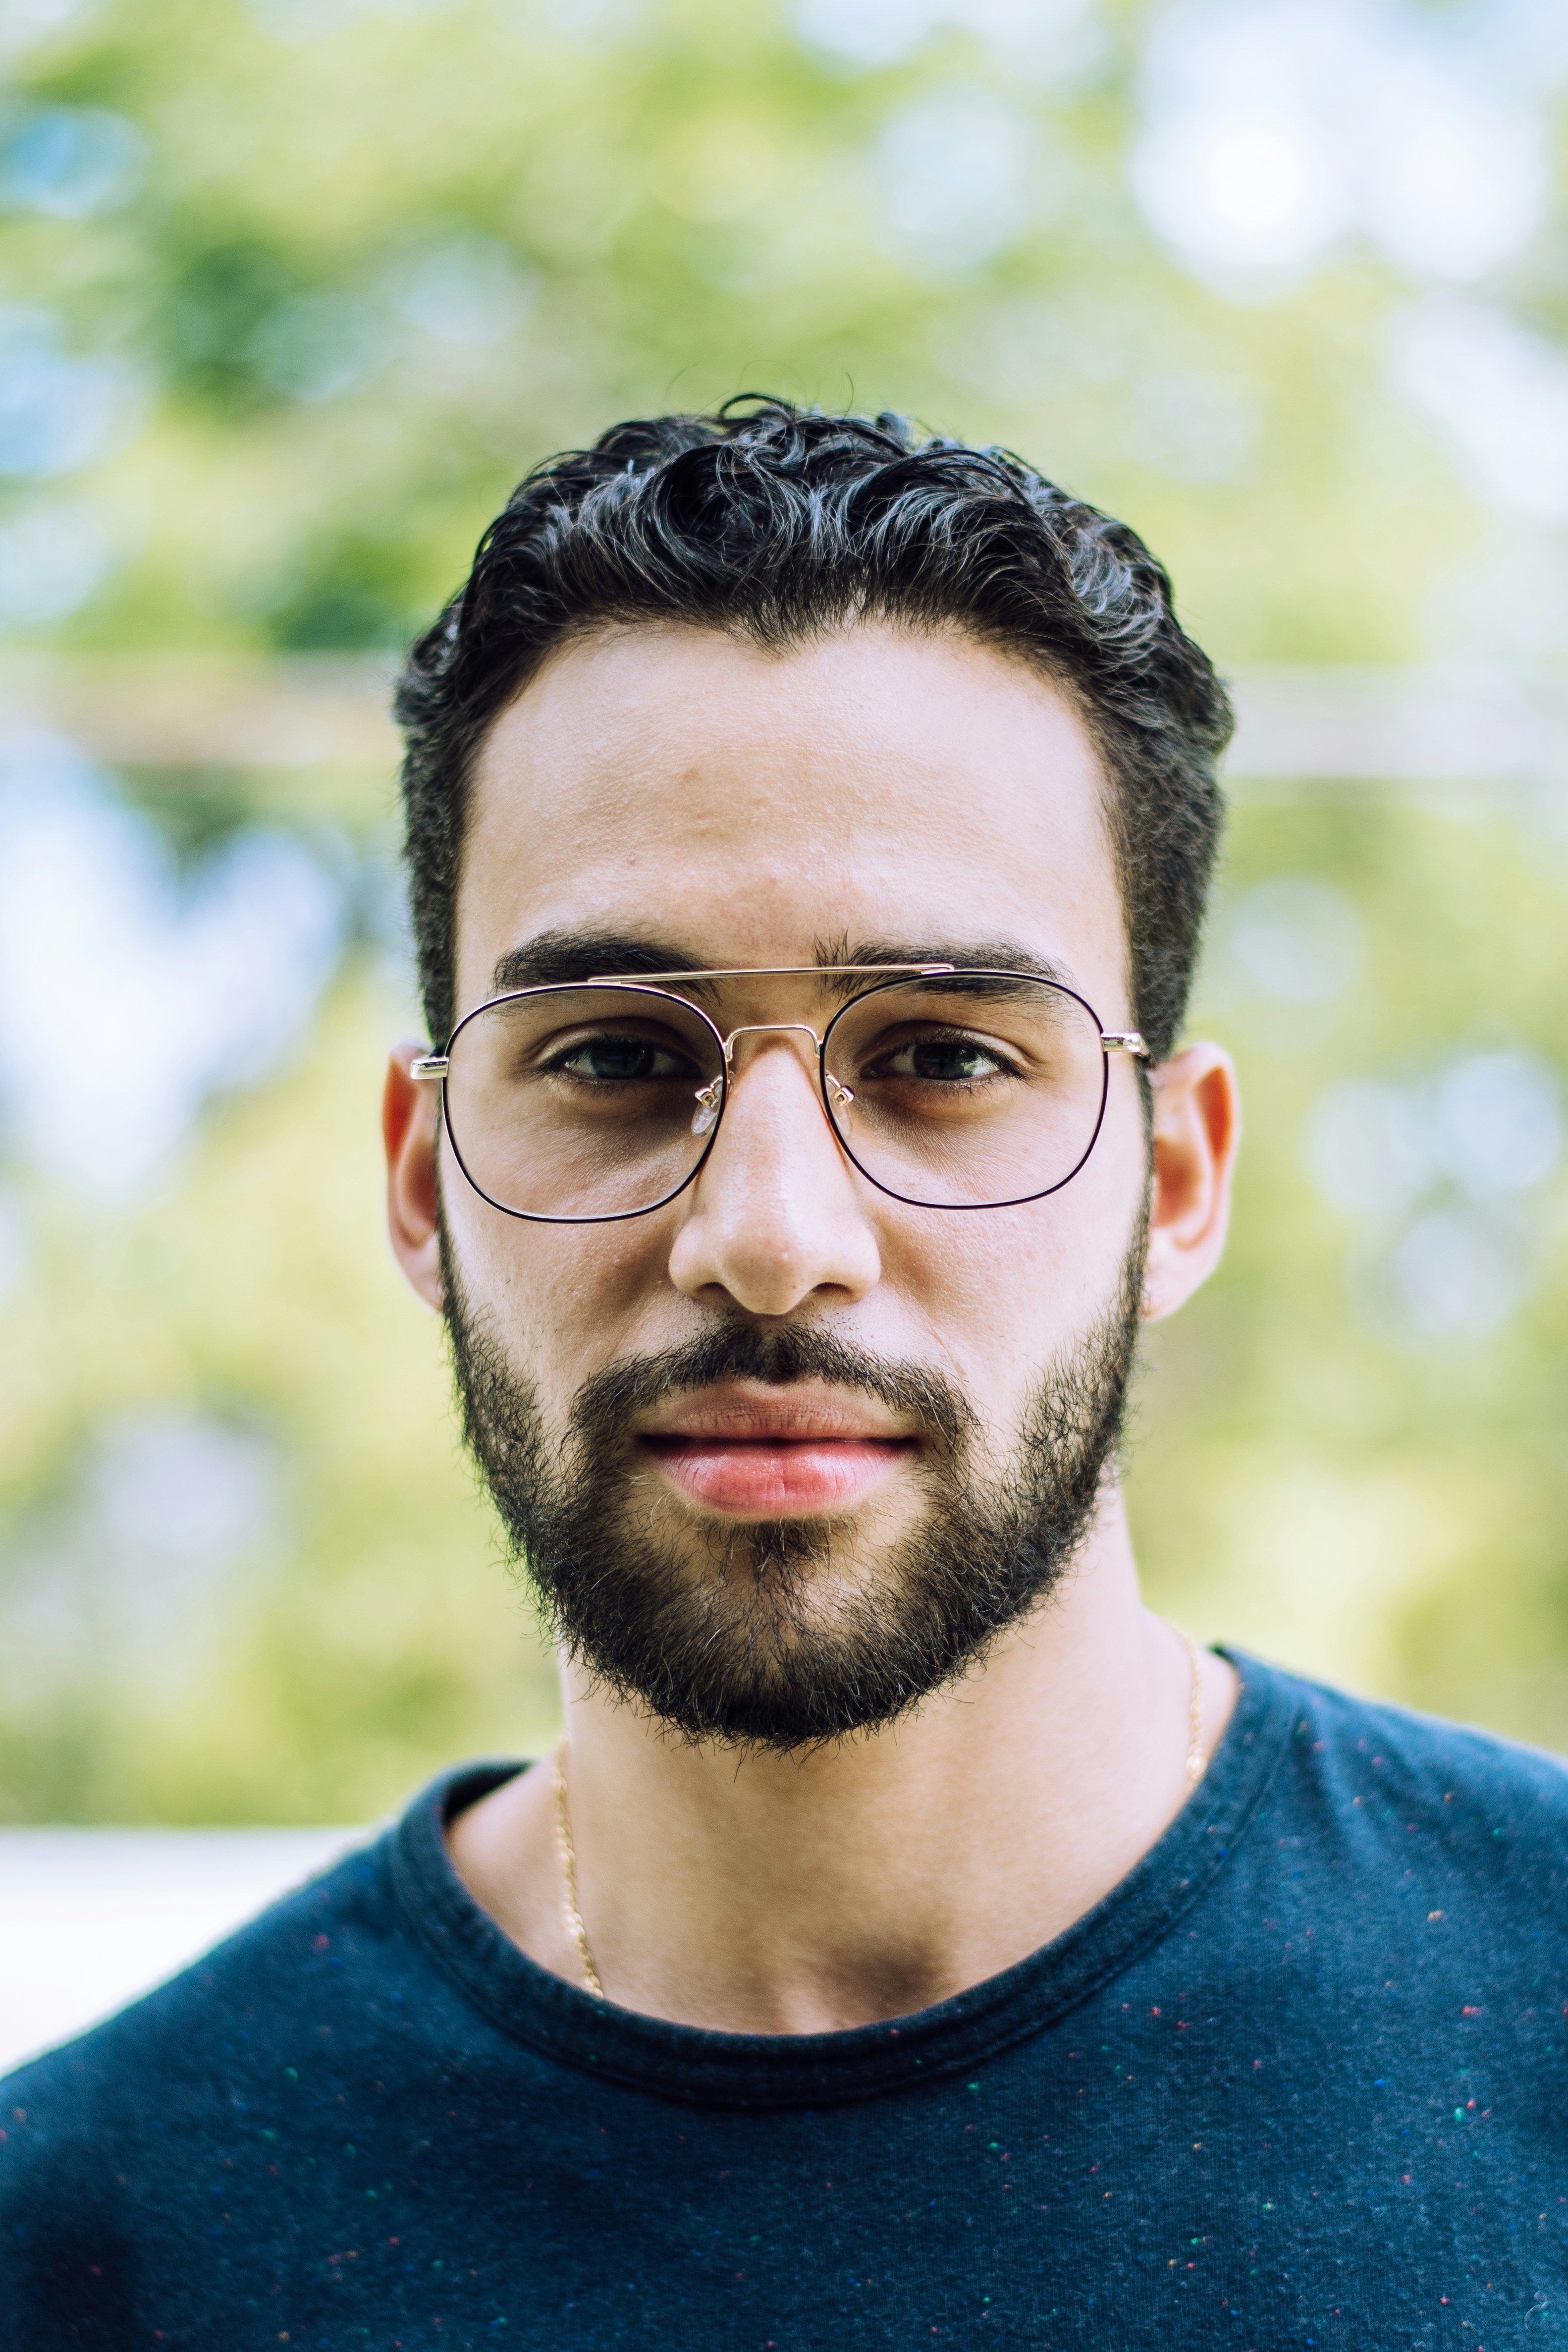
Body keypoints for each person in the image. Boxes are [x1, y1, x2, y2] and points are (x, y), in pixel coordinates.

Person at [3, 402, 1565, 2349]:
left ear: (1174, 1179)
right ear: (422, 1177)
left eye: (939, 1052)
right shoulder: (92, 2238)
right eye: (613, 1056)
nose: (767, 1229)